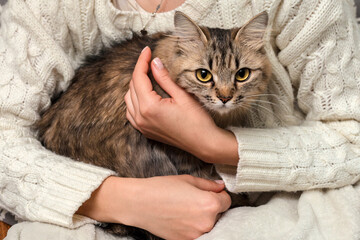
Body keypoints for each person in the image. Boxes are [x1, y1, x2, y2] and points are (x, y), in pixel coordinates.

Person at [1, 0, 360, 239]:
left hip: (289, 205)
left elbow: (352, 136)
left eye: (239, 77)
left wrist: (215, 144)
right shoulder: (45, 7)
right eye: (206, 77)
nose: (224, 94)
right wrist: (116, 199)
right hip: (86, 203)